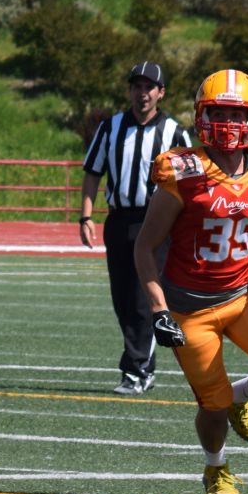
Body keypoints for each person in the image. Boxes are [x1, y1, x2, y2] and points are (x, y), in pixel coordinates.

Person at [133, 69, 248, 494]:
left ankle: (240, 396)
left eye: (238, 113)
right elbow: (145, 247)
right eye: (219, 112)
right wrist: (158, 310)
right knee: (210, 407)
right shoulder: (182, 171)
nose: (229, 123)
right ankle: (216, 467)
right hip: (190, 310)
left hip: (242, 297)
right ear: (202, 115)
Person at [78, 59, 191, 396]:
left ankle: (138, 370)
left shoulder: (174, 133)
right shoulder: (110, 128)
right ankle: (138, 366)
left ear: (161, 92)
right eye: (137, 86)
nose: (143, 93)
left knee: (145, 299)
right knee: (123, 299)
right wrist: (86, 216)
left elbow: (191, 184)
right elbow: (93, 172)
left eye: (149, 87)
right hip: (119, 221)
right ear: (130, 90)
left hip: (156, 222)